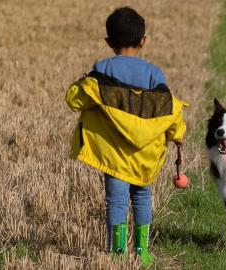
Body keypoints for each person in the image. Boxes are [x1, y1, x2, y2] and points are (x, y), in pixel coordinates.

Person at [65, 6, 187, 267]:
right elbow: (168, 108)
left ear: (109, 42)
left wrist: (81, 82)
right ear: (143, 40)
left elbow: (75, 101)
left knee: (116, 200)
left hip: (114, 155)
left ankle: (117, 253)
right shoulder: (155, 74)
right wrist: (178, 135)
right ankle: (142, 251)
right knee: (142, 196)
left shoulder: (102, 70)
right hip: (145, 157)